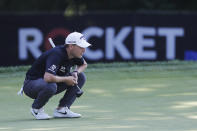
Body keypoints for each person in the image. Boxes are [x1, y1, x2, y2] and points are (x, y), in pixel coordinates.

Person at [21, 32, 91, 120]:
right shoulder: (56, 54)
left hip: (49, 83)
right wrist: (66, 79)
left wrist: (76, 72)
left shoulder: (75, 54)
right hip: (31, 85)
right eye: (81, 47)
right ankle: (36, 109)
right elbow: (48, 77)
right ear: (71, 46)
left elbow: (84, 64)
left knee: (81, 77)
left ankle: (62, 109)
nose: (84, 50)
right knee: (51, 85)